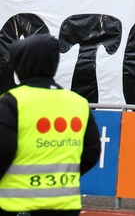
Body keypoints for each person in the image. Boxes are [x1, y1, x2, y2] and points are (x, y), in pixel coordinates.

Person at [0, 35, 102, 216]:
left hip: (18, 206)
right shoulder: (77, 102)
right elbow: (91, 152)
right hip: (65, 205)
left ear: (21, 65)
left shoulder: (11, 102)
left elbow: (3, 150)